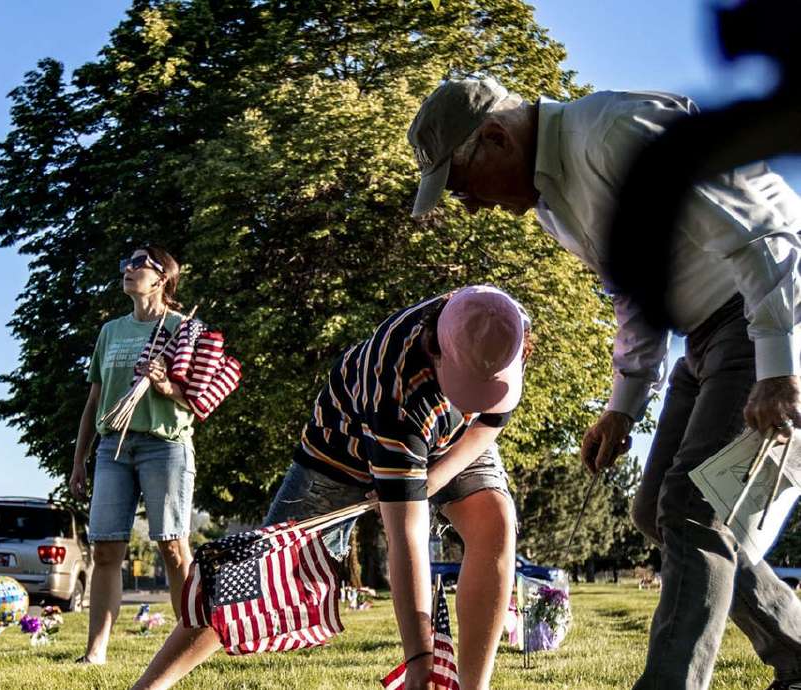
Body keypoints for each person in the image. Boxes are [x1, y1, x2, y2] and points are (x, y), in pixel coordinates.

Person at [408, 76, 801, 690]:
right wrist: (622, 407)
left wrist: (780, 366)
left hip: (764, 313)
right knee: (654, 512)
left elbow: (764, 237)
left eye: (463, 188)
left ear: (494, 137)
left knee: (693, 511)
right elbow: (635, 298)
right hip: (703, 335)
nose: (472, 207)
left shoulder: (614, 133)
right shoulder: (553, 204)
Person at [134, 285, 530, 690]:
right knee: (256, 575)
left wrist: (431, 479)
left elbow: (489, 424)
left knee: (495, 523)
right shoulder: (394, 383)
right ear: (436, 350)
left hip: (453, 441)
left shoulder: (504, 329)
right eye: (466, 388)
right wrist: (419, 657)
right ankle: (150, 686)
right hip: (342, 449)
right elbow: (405, 535)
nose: (470, 401)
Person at [69, 246, 198, 664]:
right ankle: (95, 652)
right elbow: (93, 401)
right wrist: (79, 461)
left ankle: (189, 646)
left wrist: (167, 388)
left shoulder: (183, 329)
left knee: (173, 549)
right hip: (113, 448)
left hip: (164, 445)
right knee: (105, 550)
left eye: (140, 264)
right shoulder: (111, 331)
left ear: (162, 279)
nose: (128, 269)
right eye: (127, 262)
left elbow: (200, 397)